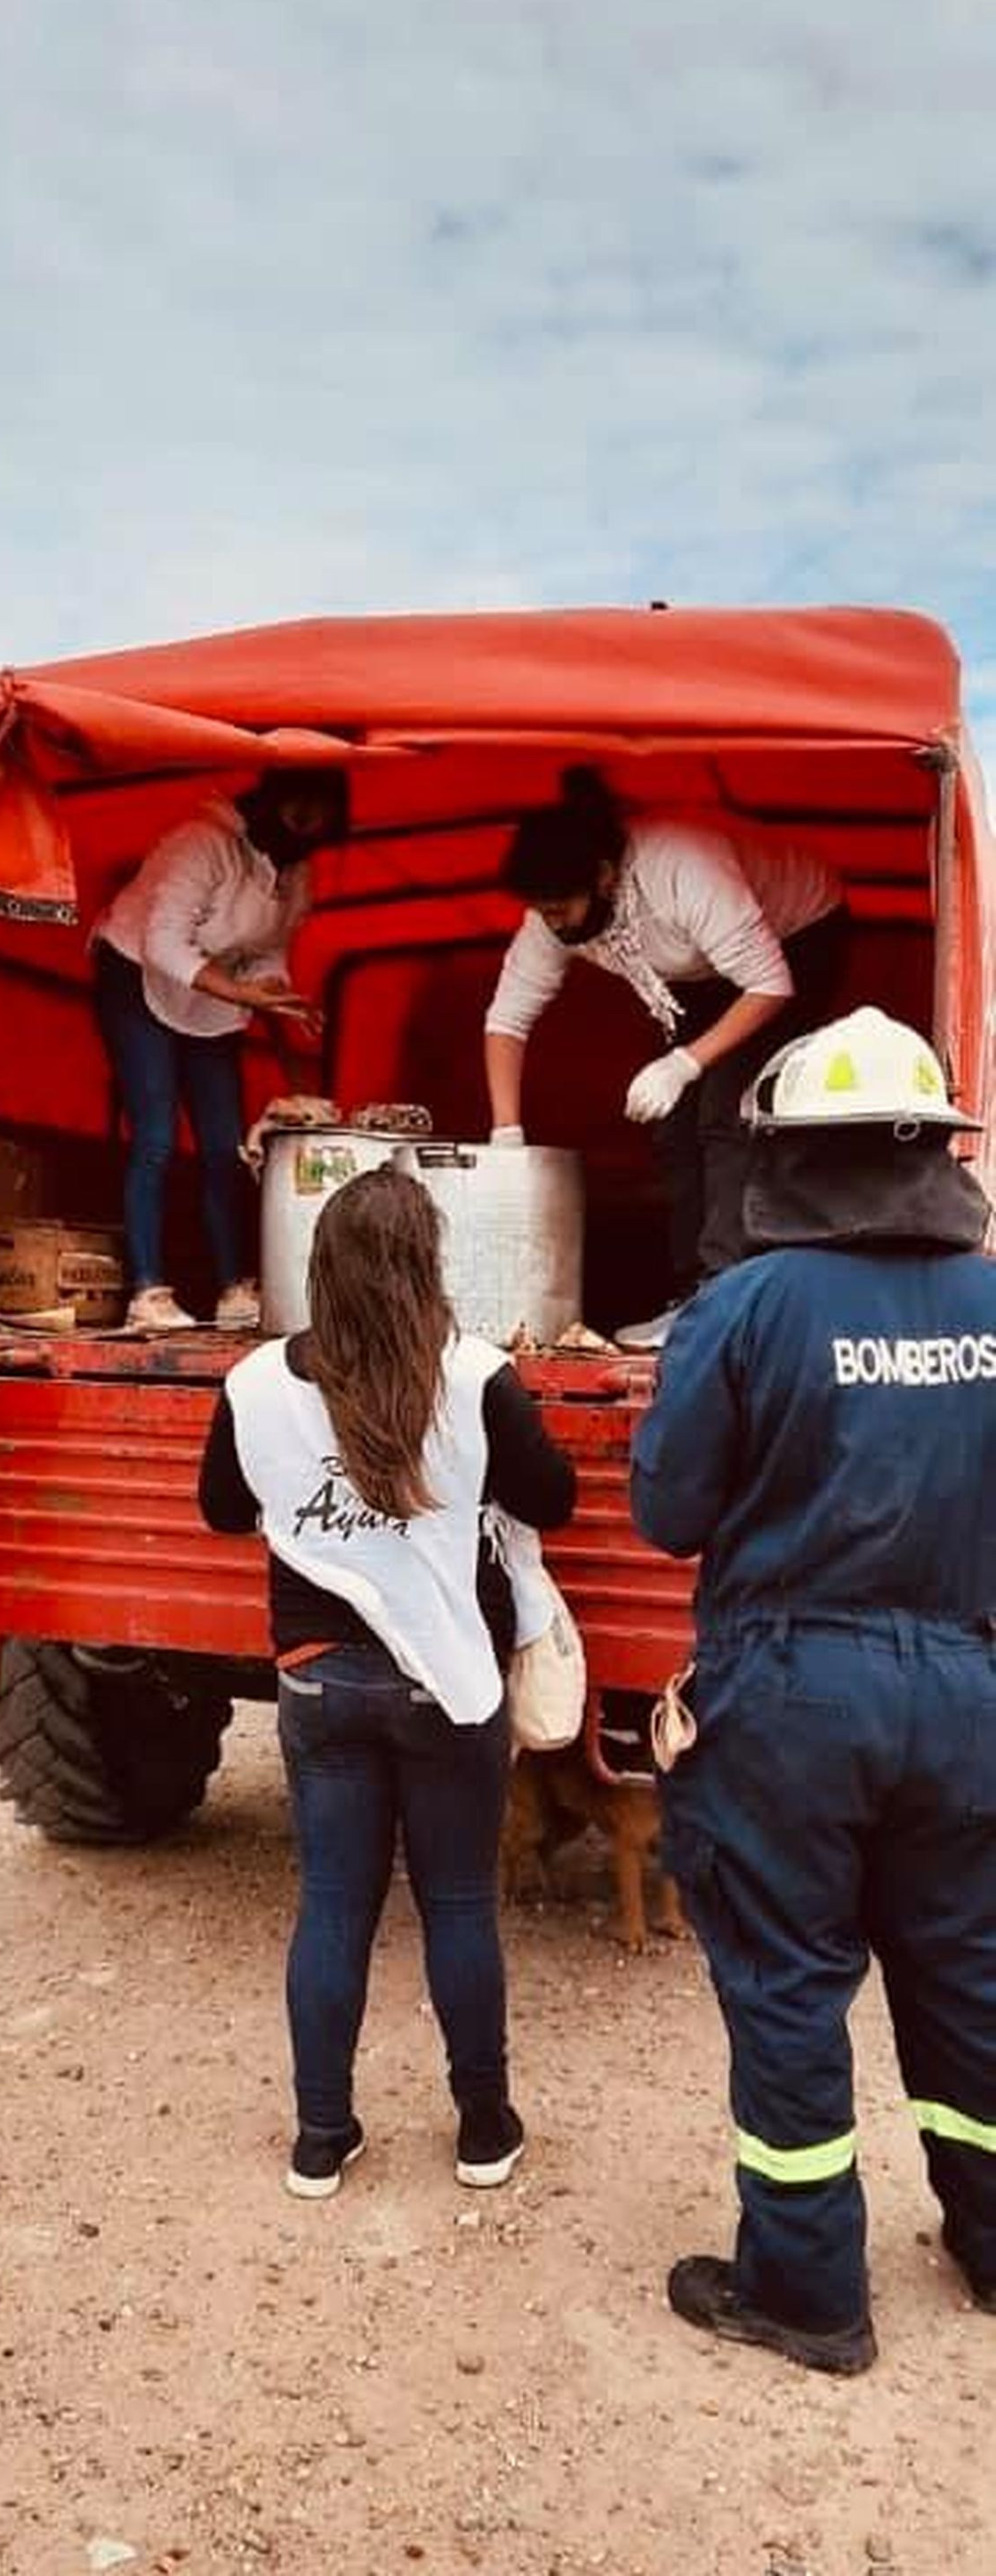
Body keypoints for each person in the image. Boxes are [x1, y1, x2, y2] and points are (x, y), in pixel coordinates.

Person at [630, 1006, 996, 2375]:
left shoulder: (747, 1308)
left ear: (791, 1159)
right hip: (967, 1688)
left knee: (790, 1986)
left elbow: (671, 1511)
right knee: (967, 1970)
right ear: (931, 1156)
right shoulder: (994, 1303)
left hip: (792, 1691)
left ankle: (808, 2293)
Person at [198, 1162, 575, 2198]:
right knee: (458, 1905)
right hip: (448, 1686)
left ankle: (322, 2135)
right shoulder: (476, 1376)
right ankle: (483, 2130)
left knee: (332, 1905)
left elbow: (224, 1511)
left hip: (319, 1683)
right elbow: (557, 1498)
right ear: (427, 1265)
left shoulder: (255, 1381)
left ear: (320, 1266)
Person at [484, 764, 847, 1346]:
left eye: (560, 908)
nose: (552, 923)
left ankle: (726, 1296)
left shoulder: (681, 866)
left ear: (603, 877)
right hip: (703, 969)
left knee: (726, 1109)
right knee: (675, 1131)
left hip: (797, 938)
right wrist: (506, 1131)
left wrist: (684, 1063)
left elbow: (769, 983)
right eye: (542, 911)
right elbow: (506, 1018)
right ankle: (690, 1296)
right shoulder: (556, 918)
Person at [91, 768, 349, 1335]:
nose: (305, 830)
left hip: (211, 993)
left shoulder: (295, 874)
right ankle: (148, 1291)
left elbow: (267, 952)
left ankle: (235, 1287)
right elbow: (163, 942)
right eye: (298, 813)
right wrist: (241, 993)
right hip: (137, 972)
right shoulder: (201, 842)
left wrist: (277, 993)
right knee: (156, 1137)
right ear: (272, 802)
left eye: (318, 823)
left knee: (224, 1145)